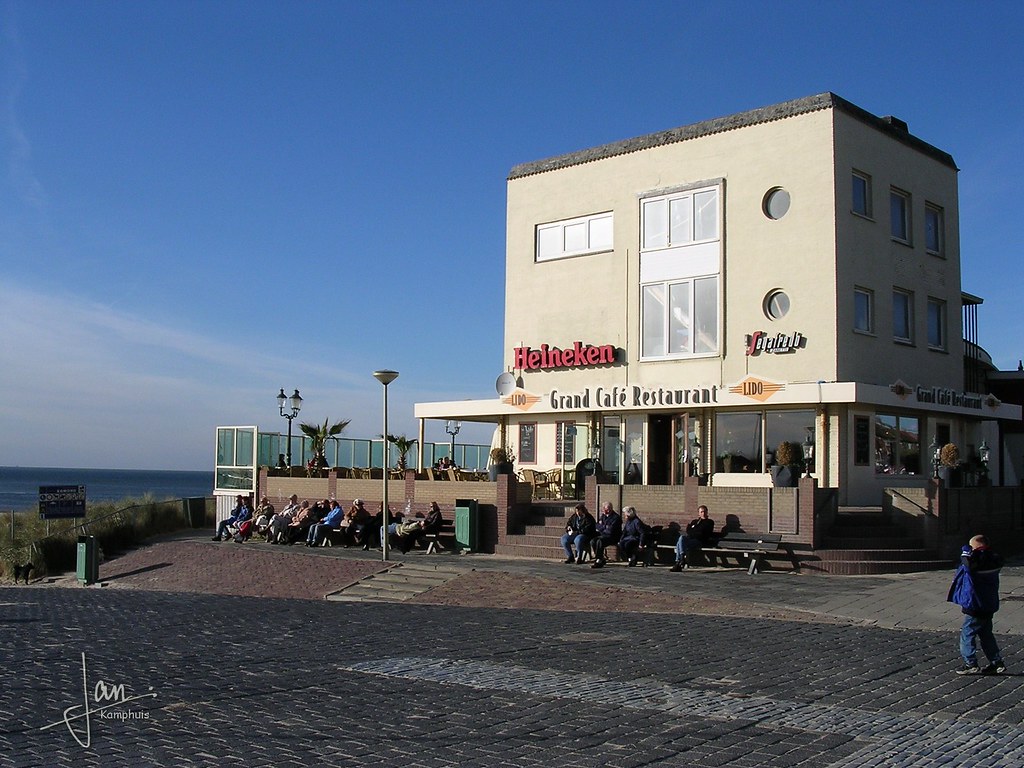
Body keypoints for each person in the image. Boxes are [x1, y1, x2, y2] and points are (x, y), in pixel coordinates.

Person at [948, 534, 1006, 675]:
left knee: (967, 634)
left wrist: (966, 552)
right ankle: (996, 662)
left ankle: (970, 663)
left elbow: (969, 566)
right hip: (988, 604)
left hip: (975, 604)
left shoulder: (977, 562)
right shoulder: (993, 559)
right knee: (986, 635)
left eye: (972, 547)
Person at [670, 505, 715, 572]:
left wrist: (694, 529)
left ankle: (678, 562)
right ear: (699, 513)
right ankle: (682, 558)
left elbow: (703, 532)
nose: (703, 513)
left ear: (707, 512)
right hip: (690, 540)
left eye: (705, 512)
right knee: (681, 538)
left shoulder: (709, 522)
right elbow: (688, 531)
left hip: (699, 541)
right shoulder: (695, 521)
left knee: (679, 543)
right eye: (701, 512)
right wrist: (694, 530)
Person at [590, 502, 622, 569]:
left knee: (600, 541)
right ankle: (601, 558)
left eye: (608, 509)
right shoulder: (603, 516)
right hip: (603, 535)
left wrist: (602, 528)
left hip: (613, 537)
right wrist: (605, 527)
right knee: (593, 541)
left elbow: (611, 530)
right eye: (605, 509)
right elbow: (597, 525)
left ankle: (598, 560)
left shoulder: (616, 518)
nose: (606, 511)